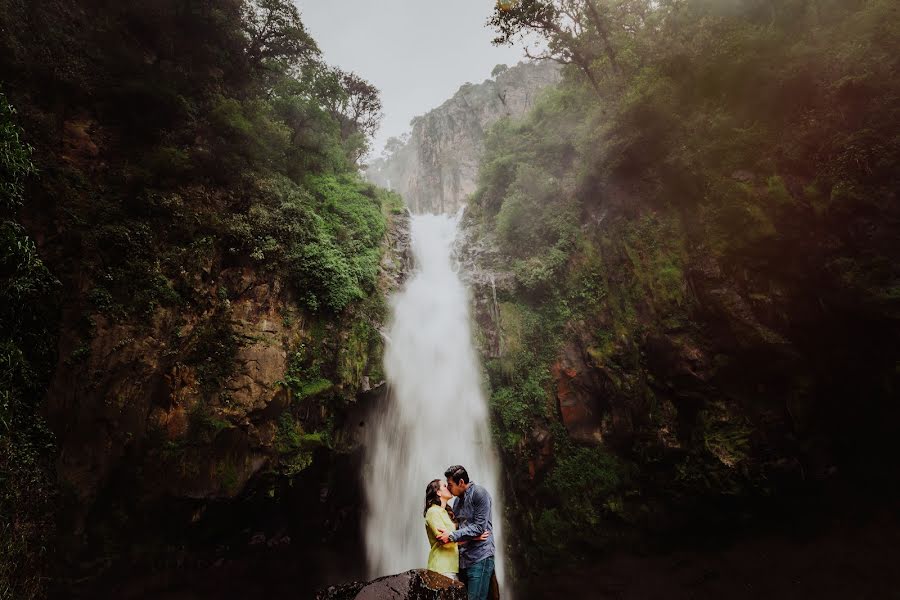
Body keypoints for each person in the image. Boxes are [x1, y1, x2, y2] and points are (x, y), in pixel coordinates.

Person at [436, 465, 496, 600]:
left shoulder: (479, 493)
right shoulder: (457, 502)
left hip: (480, 556)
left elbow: (479, 527)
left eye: (450, 484)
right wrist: (472, 537)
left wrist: (451, 536)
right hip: (463, 560)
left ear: (461, 482)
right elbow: (460, 528)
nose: (448, 488)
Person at [424, 478, 492, 581]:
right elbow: (445, 541)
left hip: (452, 568)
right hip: (441, 567)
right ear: (438, 492)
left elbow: (452, 537)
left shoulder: (446, 513)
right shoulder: (433, 512)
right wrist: (473, 538)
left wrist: (471, 534)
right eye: (445, 486)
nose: (449, 488)